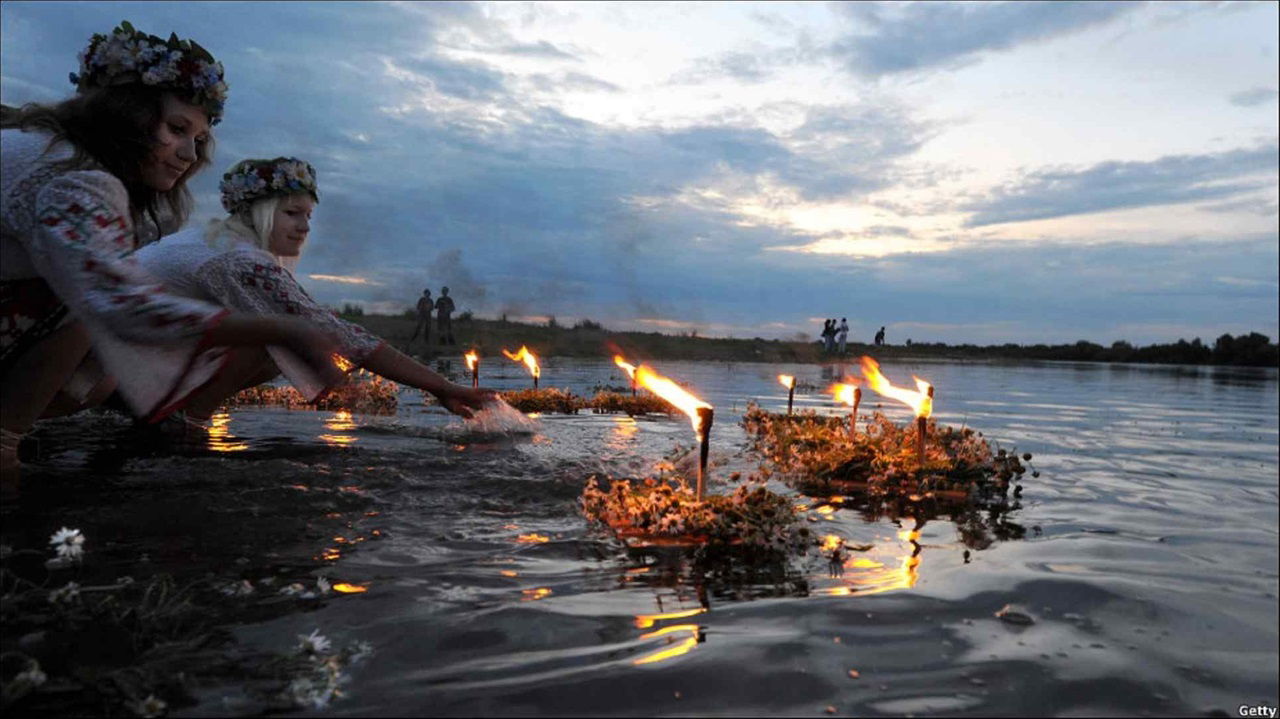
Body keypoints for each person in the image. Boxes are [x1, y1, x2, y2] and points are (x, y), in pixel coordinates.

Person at [0, 22, 341, 484]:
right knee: (83, 307)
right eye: (176, 129)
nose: (187, 154)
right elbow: (118, 302)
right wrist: (284, 328)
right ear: (124, 115)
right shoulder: (69, 178)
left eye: (197, 140)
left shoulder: (49, 151)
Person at [134, 156, 495, 421]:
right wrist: (445, 388)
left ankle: (181, 411)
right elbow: (341, 335)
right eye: (292, 213)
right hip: (116, 360)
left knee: (279, 334)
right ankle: (184, 422)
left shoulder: (207, 239)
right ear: (258, 212)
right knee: (275, 338)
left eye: (308, 216)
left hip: (131, 347)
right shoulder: (237, 259)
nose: (305, 227)